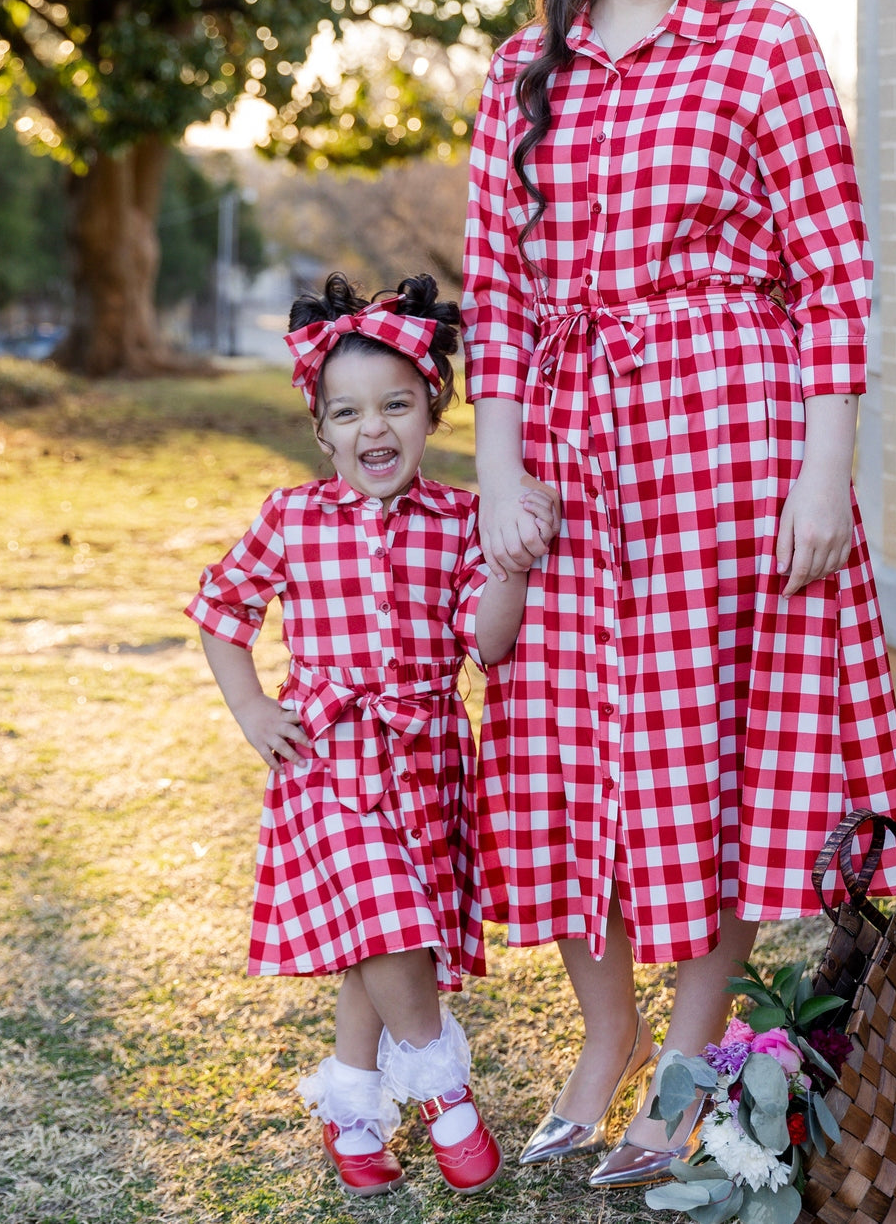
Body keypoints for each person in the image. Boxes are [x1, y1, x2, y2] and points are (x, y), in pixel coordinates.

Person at [462, 0, 896, 1188]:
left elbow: (833, 273)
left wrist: (822, 469)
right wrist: (497, 474)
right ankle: (599, 1039)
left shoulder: (762, 44)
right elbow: (493, 294)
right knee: (556, 748)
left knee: (705, 757)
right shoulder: (520, 68)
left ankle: (682, 1060)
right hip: (567, 456)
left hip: (726, 440)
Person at [186, 272, 553, 1199]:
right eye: (346, 412)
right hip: (329, 759)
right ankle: (443, 1088)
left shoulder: (461, 520)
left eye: (395, 404)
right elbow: (221, 610)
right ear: (321, 431)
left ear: (433, 409)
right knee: (387, 918)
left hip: (426, 758)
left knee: (386, 941)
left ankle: (350, 1109)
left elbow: (487, 641)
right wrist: (253, 709)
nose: (372, 429)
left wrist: (511, 561)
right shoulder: (292, 517)